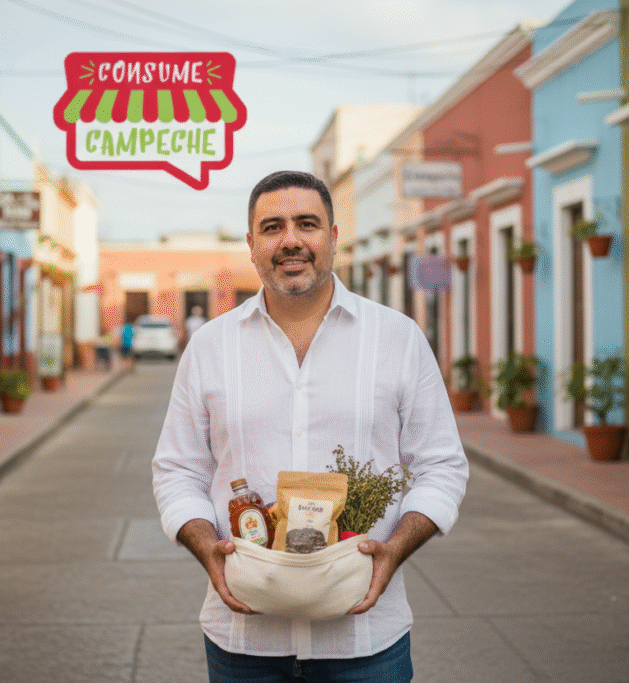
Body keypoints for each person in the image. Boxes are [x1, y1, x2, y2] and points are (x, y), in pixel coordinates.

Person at [152, 170, 468, 682]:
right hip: (243, 639)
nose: (291, 240)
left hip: (366, 638)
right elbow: (177, 470)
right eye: (273, 227)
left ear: (334, 237)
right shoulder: (211, 347)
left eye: (307, 223)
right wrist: (206, 546)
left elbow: (442, 465)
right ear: (251, 244)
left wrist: (394, 551)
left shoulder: (397, 339)